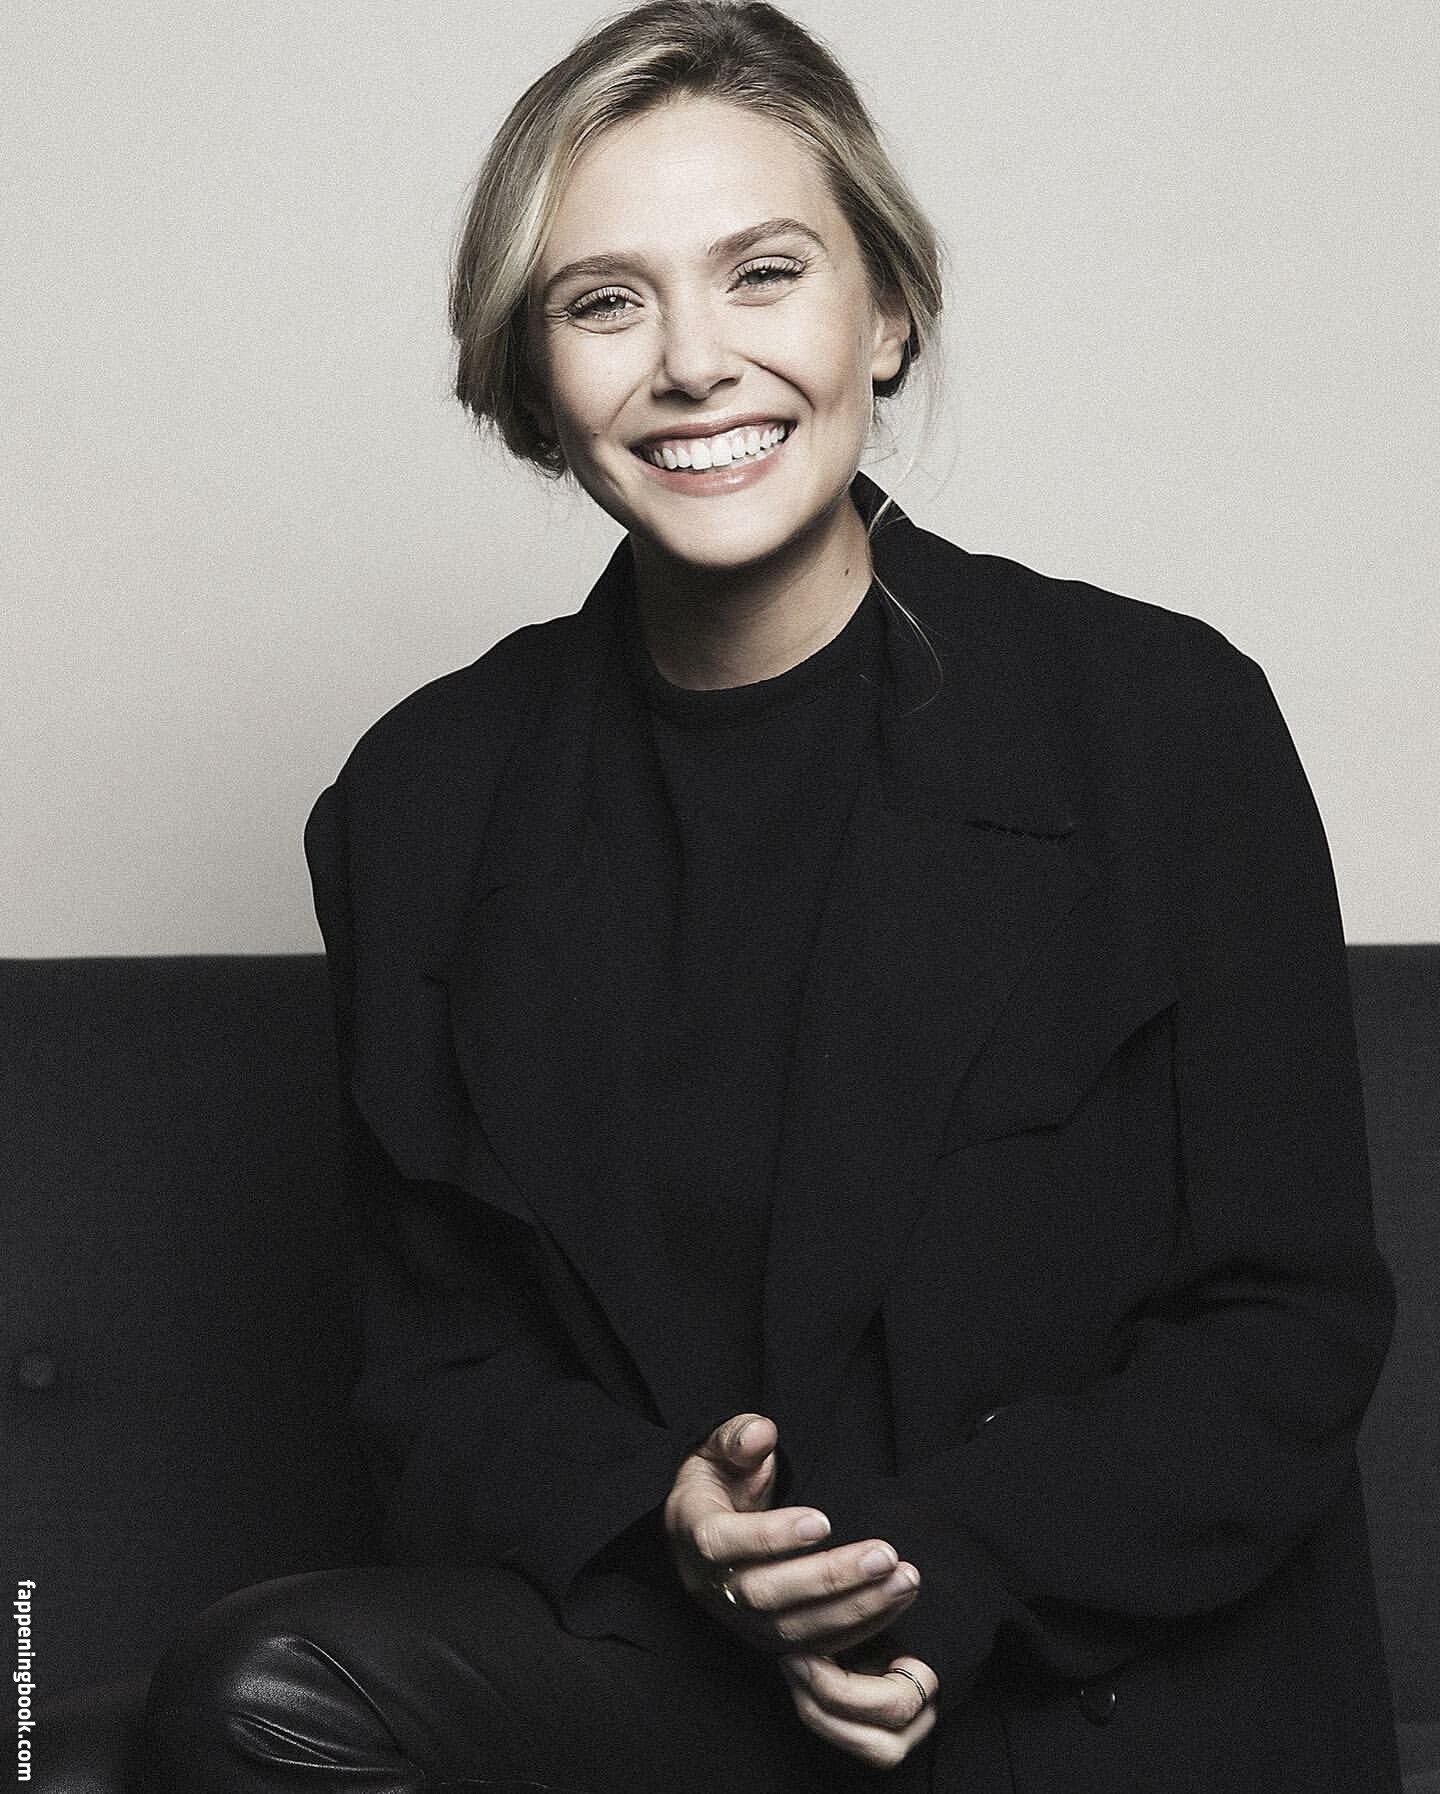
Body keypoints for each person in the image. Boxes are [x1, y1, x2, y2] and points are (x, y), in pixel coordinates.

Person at [136, 2, 1403, 1790]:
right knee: (253, 1694)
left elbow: (1287, 1331)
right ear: (532, 375)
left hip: (1084, 1679)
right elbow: (437, 1381)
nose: (693, 362)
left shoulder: (1161, 723)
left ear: (884, 313)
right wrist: (665, 1511)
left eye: (763, 274)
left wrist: (936, 1564)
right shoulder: (423, 804)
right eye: (605, 301)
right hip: (688, 1681)